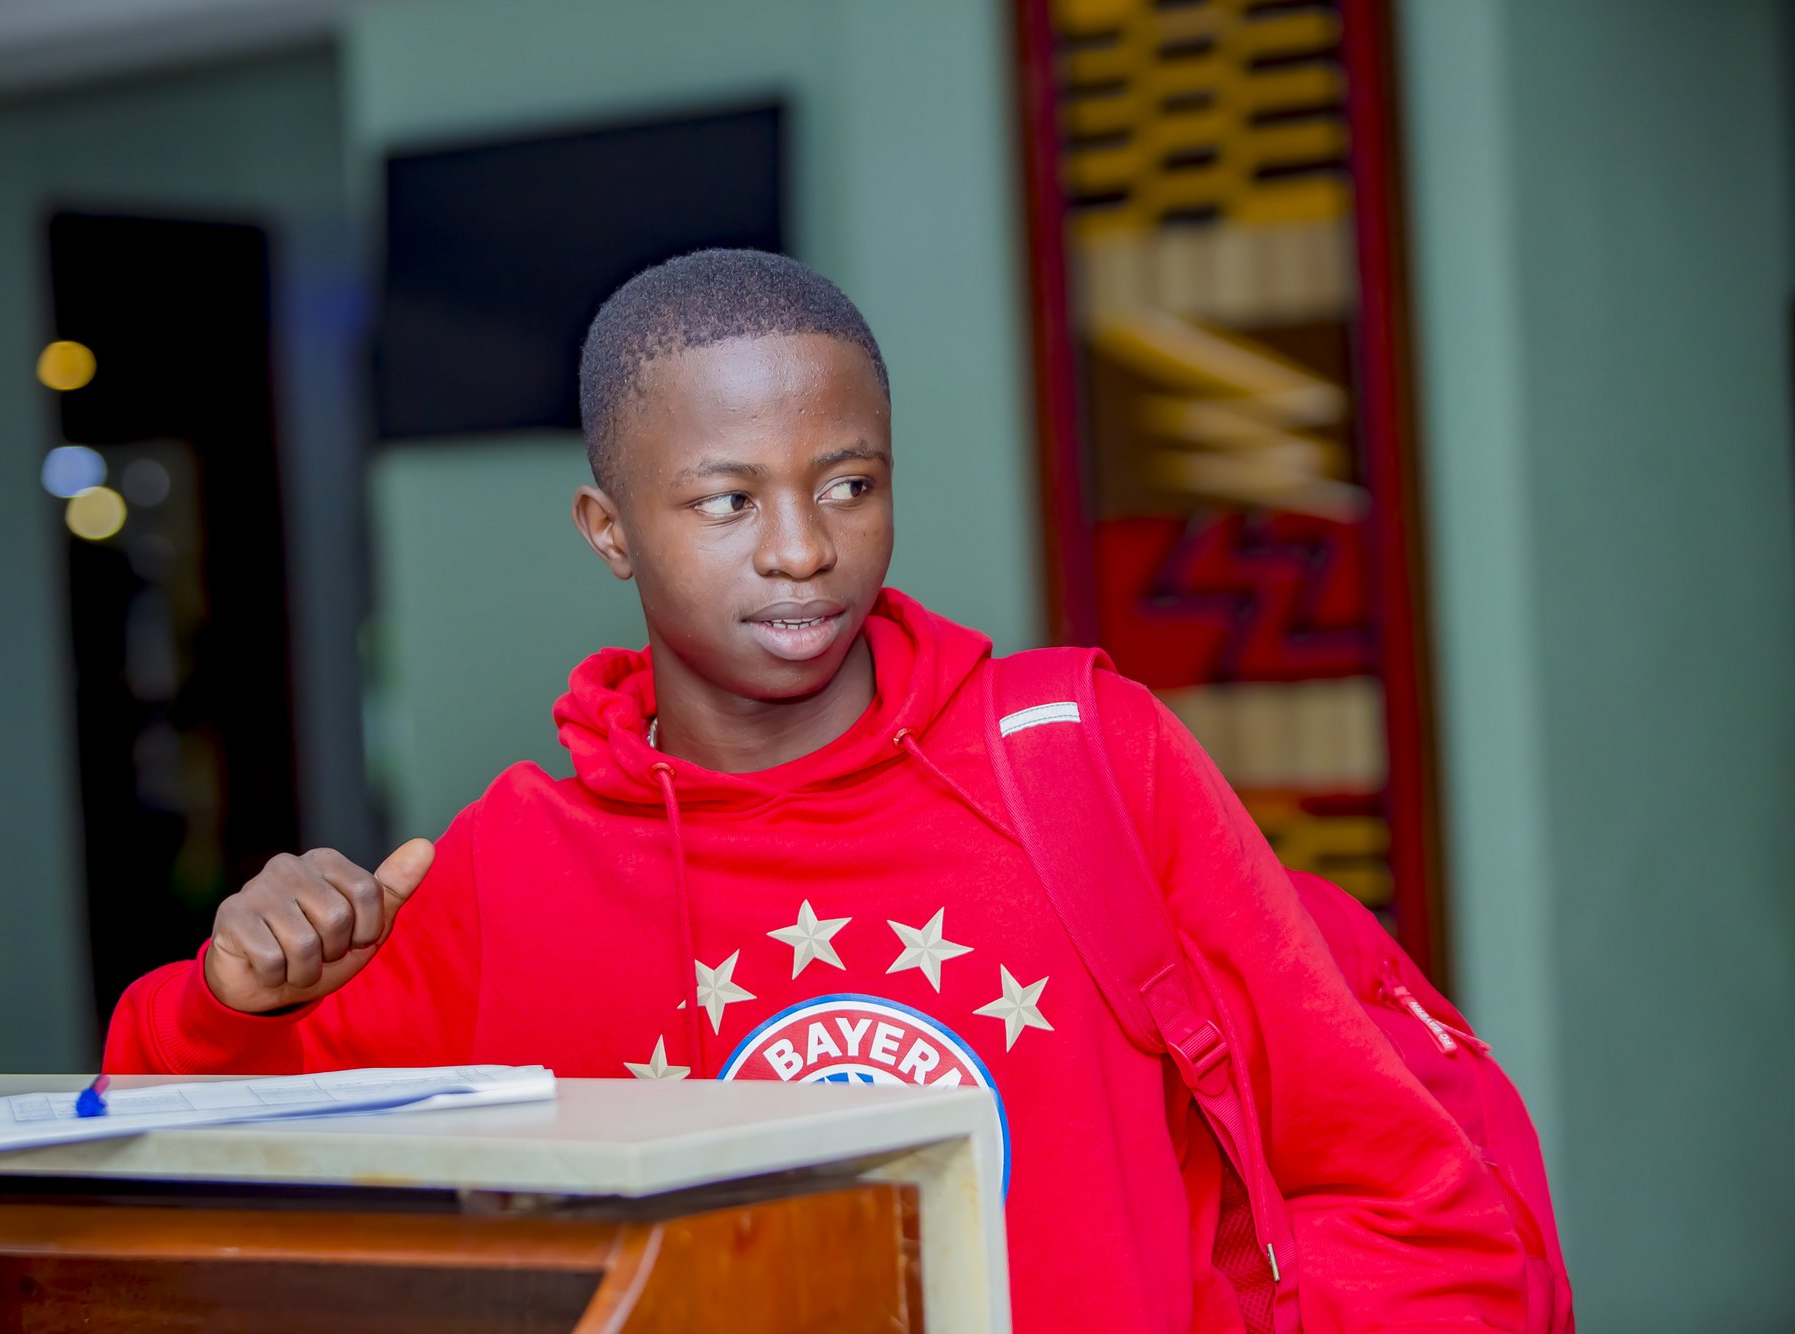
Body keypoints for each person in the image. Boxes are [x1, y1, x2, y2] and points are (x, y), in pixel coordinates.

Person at [106, 249, 1525, 1330]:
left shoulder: (1081, 756)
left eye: (848, 485)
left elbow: (1402, 1185)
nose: (803, 548)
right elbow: (165, 1159)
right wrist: (240, 998)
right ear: (609, 528)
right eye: (728, 500)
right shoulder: (511, 866)